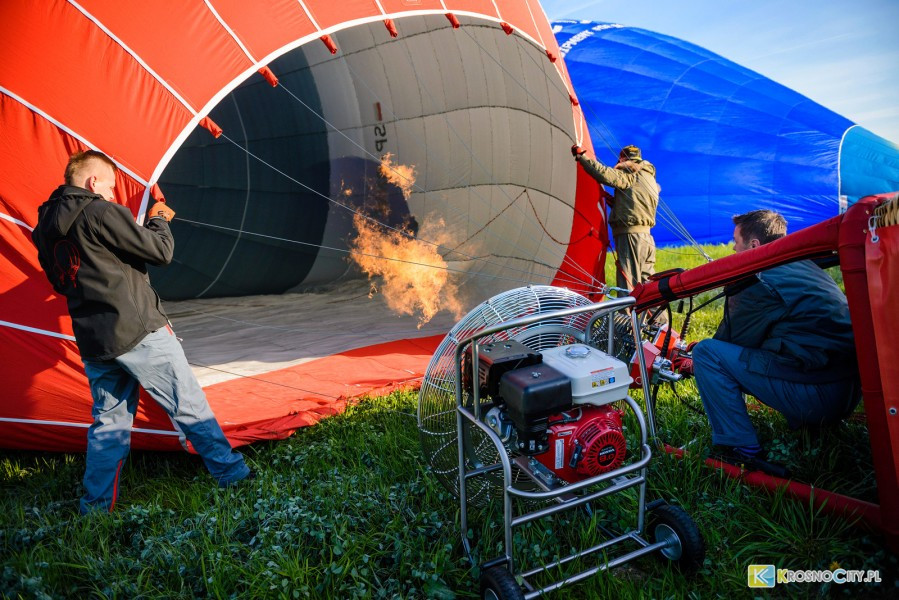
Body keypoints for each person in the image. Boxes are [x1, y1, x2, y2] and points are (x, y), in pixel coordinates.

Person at [32, 150, 252, 515]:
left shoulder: (44, 227)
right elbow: (159, 251)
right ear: (93, 182)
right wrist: (159, 219)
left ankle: (96, 509)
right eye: (111, 188)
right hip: (138, 330)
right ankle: (233, 475)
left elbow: (62, 280)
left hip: (95, 339)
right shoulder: (100, 211)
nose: (114, 196)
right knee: (188, 404)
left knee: (109, 423)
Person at [673, 209, 860, 476]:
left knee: (707, 354)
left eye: (735, 243)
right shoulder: (805, 264)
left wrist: (690, 360)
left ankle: (741, 450)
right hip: (848, 390)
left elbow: (728, 343)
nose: (732, 249)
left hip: (820, 398)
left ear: (754, 246)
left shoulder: (758, 279)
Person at [572, 144, 661, 292]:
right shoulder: (648, 176)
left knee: (628, 283)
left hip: (630, 237)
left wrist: (582, 158)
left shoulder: (629, 173)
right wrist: (617, 203)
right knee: (648, 284)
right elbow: (637, 203)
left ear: (623, 160)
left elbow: (605, 174)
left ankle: (625, 315)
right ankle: (658, 315)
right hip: (647, 238)